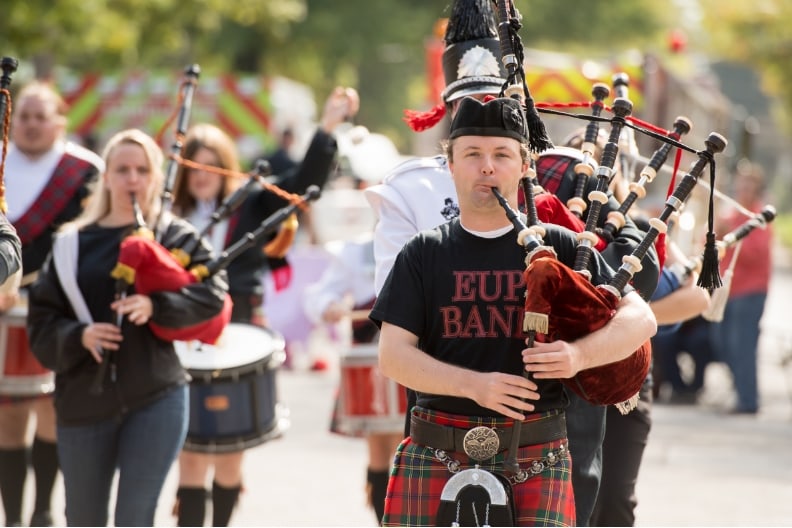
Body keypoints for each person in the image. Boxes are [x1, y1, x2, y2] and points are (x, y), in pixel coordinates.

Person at [370, 96, 657, 526]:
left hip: (536, 453)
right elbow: (392, 355)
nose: (487, 166)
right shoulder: (423, 253)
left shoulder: (563, 247)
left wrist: (578, 356)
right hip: (437, 447)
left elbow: (640, 319)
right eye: (472, 154)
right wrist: (475, 386)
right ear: (450, 165)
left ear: (525, 167)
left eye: (502, 154)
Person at [169, 86, 359, 527]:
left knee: (230, 446)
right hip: (181, 335)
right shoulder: (170, 214)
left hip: (238, 331)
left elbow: (302, 188)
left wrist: (326, 128)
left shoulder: (251, 205)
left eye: (213, 164)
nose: (203, 175)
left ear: (225, 167)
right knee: (191, 449)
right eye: (197, 166)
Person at [26, 128, 230, 527]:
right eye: (122, 169)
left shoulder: (175, 236)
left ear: (156, 177)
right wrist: (78, 336)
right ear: (105, 177)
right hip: (83, 398)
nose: (132, 179)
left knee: (135, 517)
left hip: (156, 396)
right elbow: (41, 322)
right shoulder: (70, 244)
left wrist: (157, 305)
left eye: (141, 170)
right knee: (83, 518)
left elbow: (214, 298)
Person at [0, 81, 102, 528]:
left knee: (50, 408)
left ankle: (43, 510)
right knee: (8, 416)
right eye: (23, 115)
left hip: (55, 305)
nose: (31, 125)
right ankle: (13, 517)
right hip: (2, 302)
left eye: (41, 117)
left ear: (60, 121)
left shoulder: (84, 170)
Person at [591, 237, 710, 527]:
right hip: (562, 383)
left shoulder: (643, 228)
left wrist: (629, 321)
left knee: (614, 500)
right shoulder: (555, 217)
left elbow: (698, 296)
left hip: (627, 386)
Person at [302, 233, 403, 523]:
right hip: (369, 358)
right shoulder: (356, 251)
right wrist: (328, 306)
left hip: (416, 353)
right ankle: (383, 521)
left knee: (406, 443)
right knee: (378, 445)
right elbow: (321, 294)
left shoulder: (427, 236)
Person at [708, 160, 772, 415]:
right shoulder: (731, 215)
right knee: (721, 341)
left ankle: (748, 400)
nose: (743, 188)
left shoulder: (760, 216)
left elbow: (755, 252)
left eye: (748, 184)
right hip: (729, 290)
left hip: (751, 291)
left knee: (742, 345)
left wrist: (729, 236)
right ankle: (741, 391)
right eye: (741, 183)